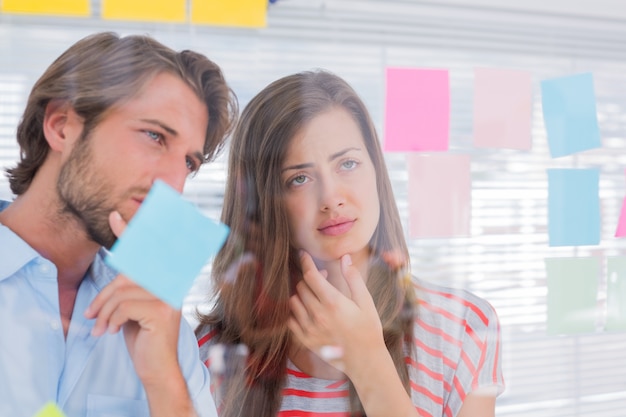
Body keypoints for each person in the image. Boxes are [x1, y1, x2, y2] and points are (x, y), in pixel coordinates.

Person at [196, 69, 504, 417]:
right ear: (264, 205)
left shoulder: (464, 328)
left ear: (376, 170)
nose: (331, 198)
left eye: (348, 163)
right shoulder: (209, 354)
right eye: (299, 178)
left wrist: (367, 359)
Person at [0, 32, 238, 417]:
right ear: (62, 127)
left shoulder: (159, 316)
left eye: (188, 163)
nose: (173, 184)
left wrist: (163, 379)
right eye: (154, 136)